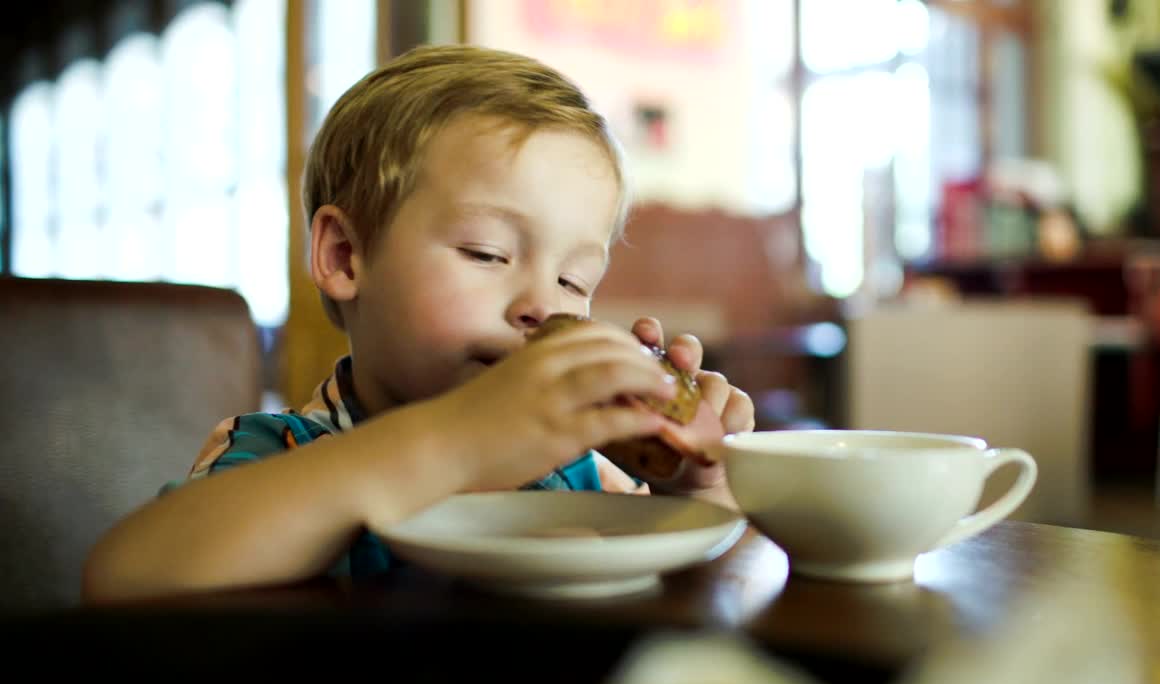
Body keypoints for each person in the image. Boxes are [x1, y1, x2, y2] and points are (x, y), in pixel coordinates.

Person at [82, 44, 755, 603]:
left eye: (573, 281)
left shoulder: (577, 473)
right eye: (486, 253)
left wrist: (701, 486)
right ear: (346, 257)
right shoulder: (277, 452)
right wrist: (456, 440)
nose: (541, 305)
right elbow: (126, 577)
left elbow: (693, 602)